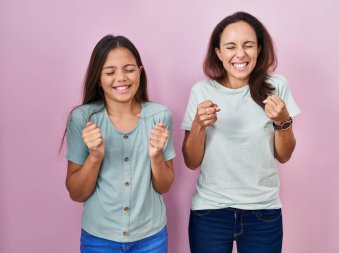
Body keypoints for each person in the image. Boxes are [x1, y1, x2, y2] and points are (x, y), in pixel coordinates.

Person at [182, 12, 301, 253]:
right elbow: (191, 161)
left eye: (248, 45)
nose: (240, 54)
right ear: (218, 53)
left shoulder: (276, 86)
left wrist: (282, 120)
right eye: (230, 47)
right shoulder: (201, 91)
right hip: (210, 212)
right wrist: (198, 125)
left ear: (259, 48)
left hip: (263, 213)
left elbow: (284, 155)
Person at [65, 35, 175, 253]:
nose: (121, 78)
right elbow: (76, 193)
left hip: (151, 237)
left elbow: (164, 186)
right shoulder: (82, 118)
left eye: (129, 69)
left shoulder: (160, 116)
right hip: (99, 239)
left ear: (140, 72)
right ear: (98, 78)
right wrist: (95, 156)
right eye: (110, 72)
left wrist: (156, 156)